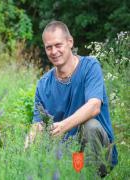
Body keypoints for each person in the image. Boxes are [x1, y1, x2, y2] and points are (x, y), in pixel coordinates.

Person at [24, 21, 118, 177]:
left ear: (70, 42)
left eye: (58, 45)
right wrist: (27, 145)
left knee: (91, 126)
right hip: (67, 156)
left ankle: (93, 176)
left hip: (99, 153)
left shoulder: (90, 66)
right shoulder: (43, 84)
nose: (54, 51)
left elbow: (94, 106)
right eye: (49, 47)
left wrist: (63, 126)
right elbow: (38, 123)